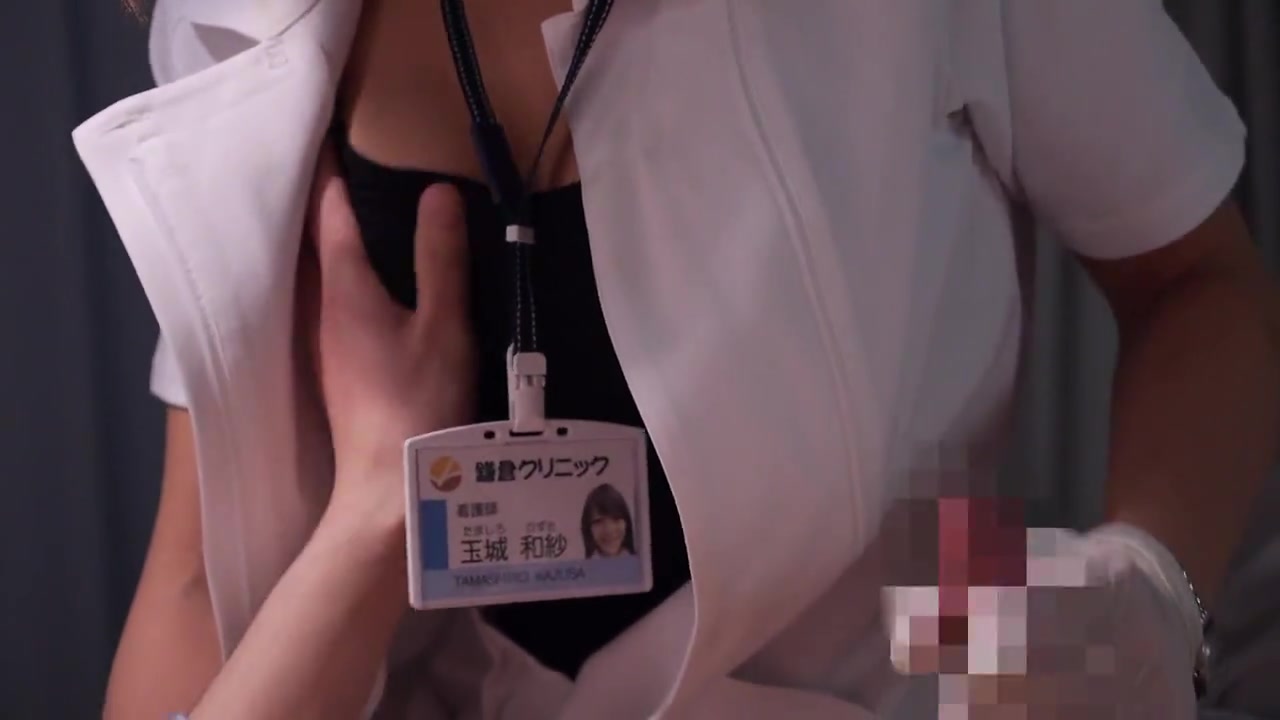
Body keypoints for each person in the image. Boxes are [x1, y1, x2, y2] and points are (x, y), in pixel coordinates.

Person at [74, 0, 1280, 718]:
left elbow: (1197, 283)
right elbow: (196, 578)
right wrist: (371, 520)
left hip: (893, 675)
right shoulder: (236, 23)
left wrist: (1148, 589)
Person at [580, 484, 636, 559]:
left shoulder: (643, 561)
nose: (609, 529)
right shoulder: (580, 565)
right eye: (599, 521)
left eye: (616, 518)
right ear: (588, 528)